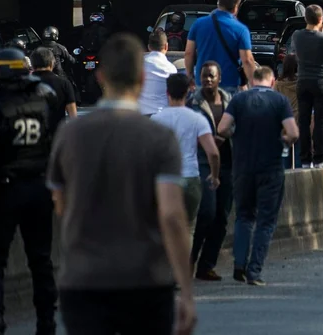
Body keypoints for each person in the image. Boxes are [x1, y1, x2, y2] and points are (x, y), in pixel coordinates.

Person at [47, 34, 197, 334]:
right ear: (142, 78)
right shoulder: (159, 137)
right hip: (145, 280)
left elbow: (60, 204)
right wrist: (187, 292)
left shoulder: (69, 135)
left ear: (100, 77)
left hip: (84, 279)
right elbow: (171, 215)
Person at [0, 48, 58, 334]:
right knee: (41, 261)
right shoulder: (43, 102)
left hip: (6, 191)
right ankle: (47, 323)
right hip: (40, 189)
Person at [217, 65, 298, 286]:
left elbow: (222, 128)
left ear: (253, 81)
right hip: (270, 167)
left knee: (244, 216)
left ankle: (239, 264)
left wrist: (237, 136)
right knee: (266, 221)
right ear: (272, 82)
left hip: (242, 167)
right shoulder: (280, 101)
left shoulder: (239, 100)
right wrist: (283, 141)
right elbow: (293, 132)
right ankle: (254, 271)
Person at [152, 73, 219, 246]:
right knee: (188, 228)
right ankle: (183, 270)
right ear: (187, 93)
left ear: (167, 93)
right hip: (190, 176)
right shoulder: (197, 119)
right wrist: (214, 174)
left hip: (166, 180)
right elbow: (213, 152)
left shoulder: (156, 120)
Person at [188, 63, 232, 282]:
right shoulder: (193, 102)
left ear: (219, 78)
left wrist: (224, 136)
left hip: (227, 163)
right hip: (202, 162)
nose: (207, 80)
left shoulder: (229, 100)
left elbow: (237, 124)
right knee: (206, 212)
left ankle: (206, 265)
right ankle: (189, 261)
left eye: (211, 76)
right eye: (204, 76)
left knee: (222, 217)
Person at [291, 5, 323, 170]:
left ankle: (305, 160)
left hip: (303, 81)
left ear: (305, 18)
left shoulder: (297, 35)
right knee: (321, 122)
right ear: (321, 19)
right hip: (321, 82)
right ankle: (320, 158)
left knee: (304, 122)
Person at [185, 0, 257, 91]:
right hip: (229, 84)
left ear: (219, 3)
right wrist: (254, 85)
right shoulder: (241, 29)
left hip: (203, 83)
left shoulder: (198, 24)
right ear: (236, 6)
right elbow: (247, 60)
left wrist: (189, 76)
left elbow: (189, 53)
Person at [28, 47, 77, 134]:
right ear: (52, 63)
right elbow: (73, 116)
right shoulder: (64, 84)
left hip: (32, 138)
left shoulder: (24, 84)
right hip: (57, 137)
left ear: (32, 64)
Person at [139, 29, 179, 117]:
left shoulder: (139, 65)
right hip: (163, 117)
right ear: (166, 46)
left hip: (141, 117)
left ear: (149, 47)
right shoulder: (171, 69)